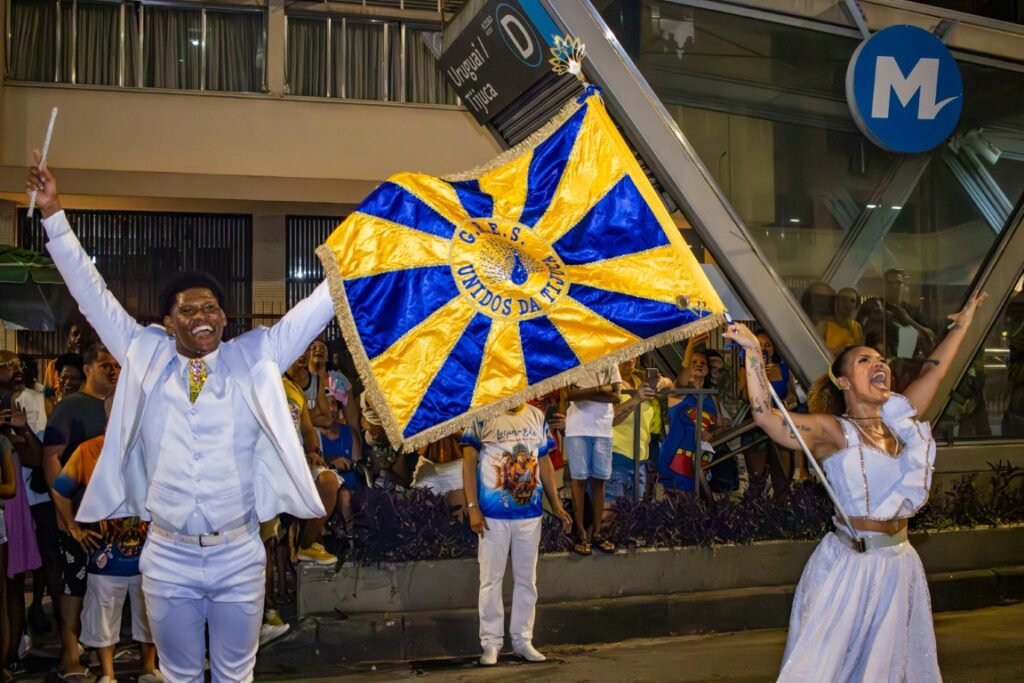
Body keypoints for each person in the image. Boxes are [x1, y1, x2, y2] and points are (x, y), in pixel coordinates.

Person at [28, 155, 330, 682]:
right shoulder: (145, 354)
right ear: (169, 323)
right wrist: (53, 212)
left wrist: (361, 258)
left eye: (211, 307)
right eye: (188, 310)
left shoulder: (254, 356)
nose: (202, 317)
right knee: (180, 675)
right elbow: (91, 293)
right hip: (167, 557)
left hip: (238, 552)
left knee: (237, 675)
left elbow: (313, 310)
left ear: (225, 317)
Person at [723, 291, 987, 681]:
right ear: (844, 380)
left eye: (881, 360)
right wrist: (754, 357)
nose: (879, 364)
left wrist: (962, 327)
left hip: (900, 565)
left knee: (894, 668)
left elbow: (935, 371)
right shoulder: (835, 432)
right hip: (852, 567)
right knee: (832, 669)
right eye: (866, 361)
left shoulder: (899, 420)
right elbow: (770, 421)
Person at [51, 411, 162, 683]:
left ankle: (148, 668)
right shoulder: (89, 450)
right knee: (103, 615)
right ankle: (108, 674)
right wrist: (74, 529)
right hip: (105, 554)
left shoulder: (151, 447)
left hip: (148, 553)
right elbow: (60, 489)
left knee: (150, 611)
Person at [461, 404, 572, 666]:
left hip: (529, 516)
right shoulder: (480, 416)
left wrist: (555, 503)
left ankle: (523, 640)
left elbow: (543, 461)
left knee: (527, 580)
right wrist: (473, 507)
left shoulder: (536, 415)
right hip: (492, 516)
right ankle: (491, 643)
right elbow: (468, 464)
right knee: (490, 580)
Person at [42, 343, 120, 680]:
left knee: (107, 589)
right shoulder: (70, 407)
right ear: (88, 368)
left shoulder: (123, 403)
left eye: (117, 364)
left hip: (115, 520)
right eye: (105, 365)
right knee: (73, 587)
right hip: (79, 513)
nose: (113, 370)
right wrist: (66, 516)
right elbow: (50, 457)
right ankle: (70, 655)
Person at [564, 367, 621, 555]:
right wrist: (599, 389)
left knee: (600, 480)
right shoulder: (572, 360)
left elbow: (616, 396)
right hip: (577, 428)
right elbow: (568, 394)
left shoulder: (611, 360)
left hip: (603, 429)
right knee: (578, 481)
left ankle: (597, 533)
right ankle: (580, 534)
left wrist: (583, 392)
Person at [658, 351, 718, 492]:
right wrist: (691, 346)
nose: (698, 365)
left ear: (708, 370)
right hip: (676, 456)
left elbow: (719, 426)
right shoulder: (678, 391)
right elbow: (682, 381)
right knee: (677, 505)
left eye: (702, 363)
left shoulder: (711, 397)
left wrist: (712, 434)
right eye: (693, 362)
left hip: (701, 459)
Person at [607, 358, 663, 505]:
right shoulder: (608, 383)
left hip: (641, 459)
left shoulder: (641, 379)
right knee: (611, 515)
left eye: (634, 352)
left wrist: (662, 383)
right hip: (616, 456)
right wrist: (636, 398)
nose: (630, 358)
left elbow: (671, 383)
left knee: (635, 515)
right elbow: (609, 419)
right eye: (625, 353)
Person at [818, 287, 864, 356]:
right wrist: (837, 352)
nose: (847, 303)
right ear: (836, 301)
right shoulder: (824, 325)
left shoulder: (857, 327)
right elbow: (815, 353)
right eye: (843, 299)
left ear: (856, 305)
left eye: (852, 301)